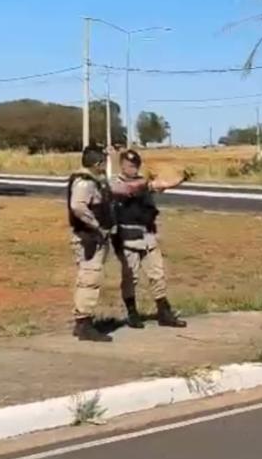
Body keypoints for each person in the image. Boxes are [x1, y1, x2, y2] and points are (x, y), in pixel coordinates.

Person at [113, 150, 189, 328]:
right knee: (130, 278)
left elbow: (161, 184)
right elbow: (128, 190)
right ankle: (132, 313)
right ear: (122, 165)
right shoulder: (116, 184)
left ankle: (164, 312)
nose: (133, 169)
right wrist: (145, 185)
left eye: (136, 165)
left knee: (158, 275)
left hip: (148, 236)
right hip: (128, 239)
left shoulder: (143, 183)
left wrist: (181, 178)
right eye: (130, 165)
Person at [67, 145, 118, 342]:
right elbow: (78, 207)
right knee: (89, 279)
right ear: (97, 164)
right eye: (104, 162)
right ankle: (84, 323)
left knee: (90, 278)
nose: (106, 166)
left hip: (94, 237)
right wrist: (97, 226)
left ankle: (83, 321)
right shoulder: (85, 183)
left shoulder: (95, 180)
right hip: (89, 239)